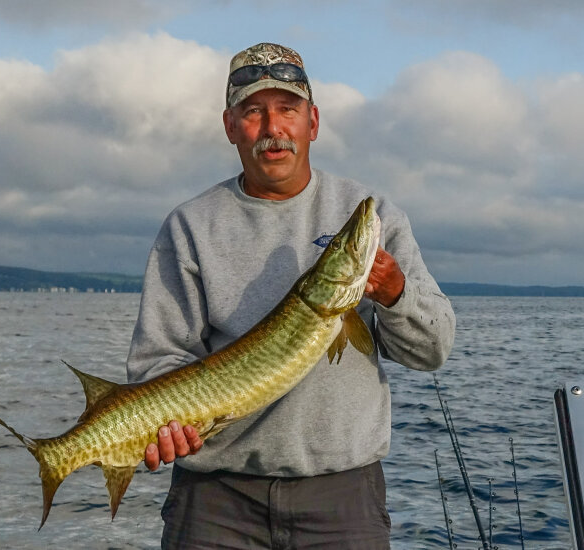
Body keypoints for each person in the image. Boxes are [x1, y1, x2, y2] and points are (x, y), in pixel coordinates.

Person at [126, 42, 456, 549]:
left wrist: (396, 294)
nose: (272, 128)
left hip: (343, 497)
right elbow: (158, 361)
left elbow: (433, 350)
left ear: (313, 121)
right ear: (230, 126)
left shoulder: (375, 214)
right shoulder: (189, 226)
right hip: (215, 501)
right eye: (253, 112)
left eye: (287, 109)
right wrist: (164, 429)